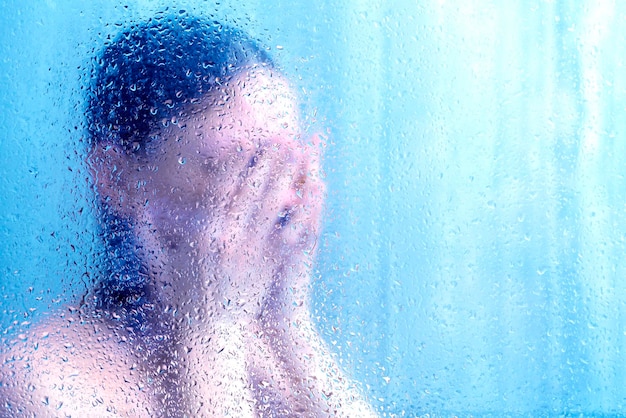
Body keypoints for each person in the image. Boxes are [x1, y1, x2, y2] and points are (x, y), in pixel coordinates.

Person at [0, 15, 376, 417]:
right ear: (117, 178)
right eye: (243, 169)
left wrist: (290, 319)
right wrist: (209, 331)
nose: (280, 202)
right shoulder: (40, 380)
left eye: (287, 168)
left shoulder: (270, 347)